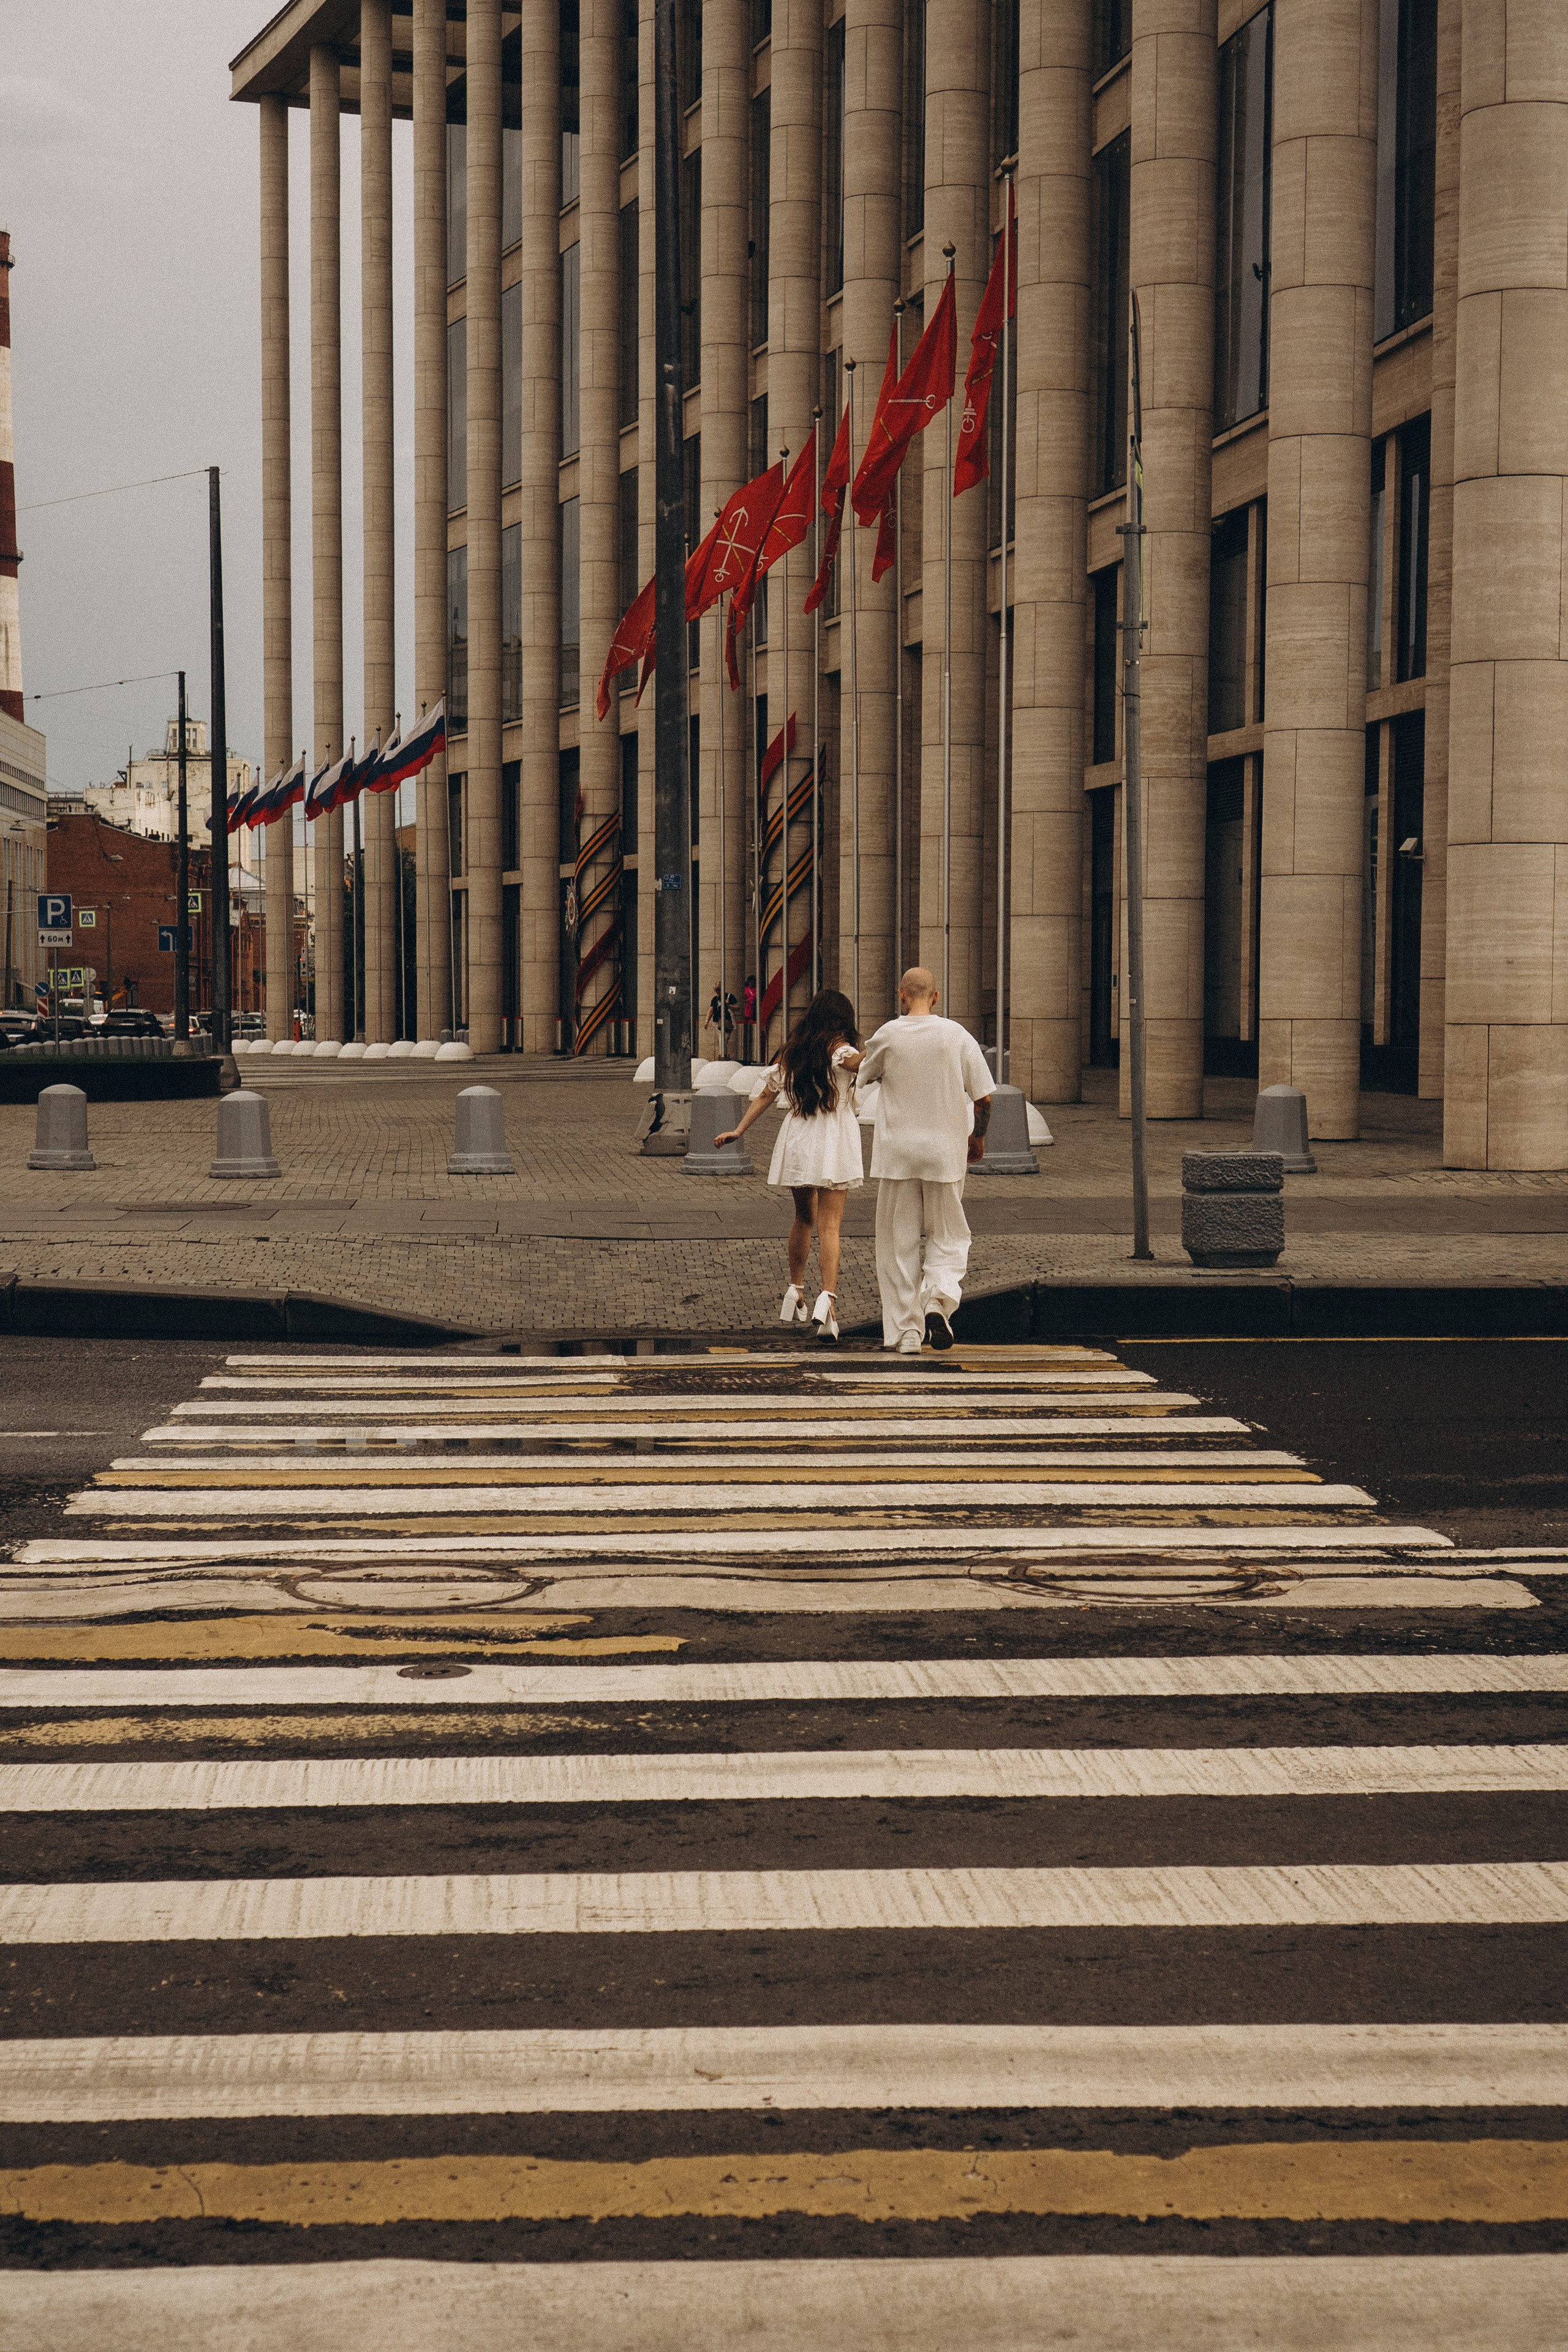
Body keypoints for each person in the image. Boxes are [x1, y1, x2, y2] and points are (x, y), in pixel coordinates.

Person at [713, 988, 862, 1344]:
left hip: (798, 1138)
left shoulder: (793, 1052)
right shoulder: (841, 1049)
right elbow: (858, 1063)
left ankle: (795, 1289)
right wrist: (885, 1044)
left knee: (803, 1219)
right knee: (830, 1225)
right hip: (833, 1137)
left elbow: (766, 1093)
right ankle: (829, 1303)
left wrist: (738, 1130)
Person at [856, 967, 992, 1354]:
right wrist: (977, 1136)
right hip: (945, 1154)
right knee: (949, 1236)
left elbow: (861, 1072)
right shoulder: (956, 1036)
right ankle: (938, 1302)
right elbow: (983, 1100)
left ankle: (907, 1334)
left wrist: (838, 1052)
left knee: (897, 1245)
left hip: (897, 1154)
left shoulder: (888, 1034)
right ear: (935, 997)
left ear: (902, 995)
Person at [704, 984, 736, 1050]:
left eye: (719, 990)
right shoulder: (715, 999)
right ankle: (723, 1055)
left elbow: (737, 1008)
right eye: (716, 991)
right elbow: (711, 1010)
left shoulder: (730, 997)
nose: (718, 992)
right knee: (721, 1041)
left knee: (724, 1040)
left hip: (728, 1022)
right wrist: (707, 1021)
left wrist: (729, 1005)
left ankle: (723, 1055)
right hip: (717, 1022)